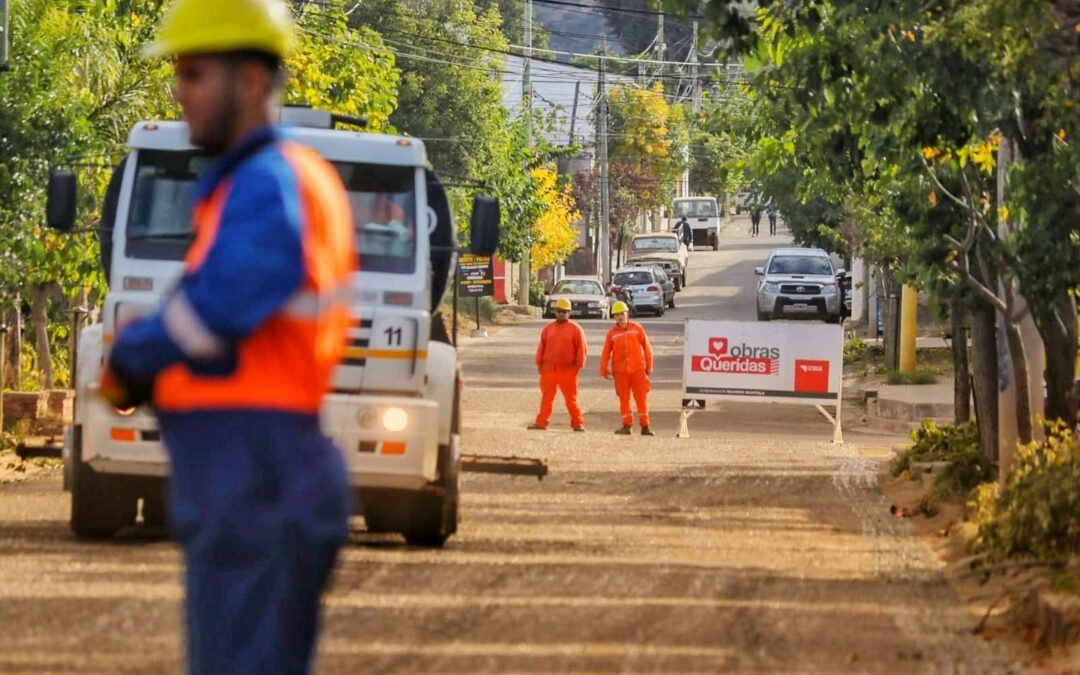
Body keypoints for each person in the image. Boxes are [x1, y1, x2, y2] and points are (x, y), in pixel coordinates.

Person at [99, 1, 355, 673]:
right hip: (252, 473)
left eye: (193, 72)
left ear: (248, 81)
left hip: (255, 474)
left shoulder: (270, 184)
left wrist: (135, 354)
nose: (179, 91)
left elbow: (222, 303)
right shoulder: (265, 182)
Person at [528, 298, 588, 431]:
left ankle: (578, 424)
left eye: (565, 311)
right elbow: (541, 347)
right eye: (559, 311)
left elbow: (581, 349)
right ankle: (541, 423)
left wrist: (578, 366)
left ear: (569, 313)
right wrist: (539, 363)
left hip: (568, 370)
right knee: (547, 398)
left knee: (571, 399)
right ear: (555, 312)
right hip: (548, 369)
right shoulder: (548, 329)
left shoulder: (576, 329)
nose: (562, 314)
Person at [599, 301, 655, 436]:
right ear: (613, 317)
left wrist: (649, 365)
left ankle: (645, 426)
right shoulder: (612, 333)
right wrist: (603, 369)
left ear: (627, 314)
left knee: (641, 398)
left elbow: (647, 347)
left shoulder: (637, 328)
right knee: (624, 399)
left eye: (622, 314)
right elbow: (606, 352)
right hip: (620, 372)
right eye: (616, 315)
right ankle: (627, 425)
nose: (620, 317)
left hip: (638, 370)